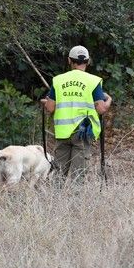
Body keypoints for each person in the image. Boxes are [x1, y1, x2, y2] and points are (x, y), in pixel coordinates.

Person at [41, 45, 112, 184]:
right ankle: (75, 205)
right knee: (78, 177)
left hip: (62, 133)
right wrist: (109, 100)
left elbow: (50, 107)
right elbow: (101, 109)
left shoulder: (59, 80)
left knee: (58, 175)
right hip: (82, 133)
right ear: (88, 61)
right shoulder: (93, 81)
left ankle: (54, 204)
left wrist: (44, 102)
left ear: (69, 60)